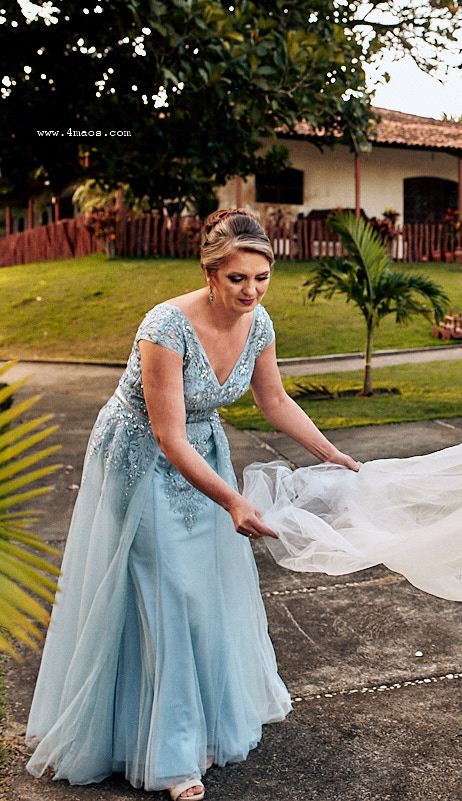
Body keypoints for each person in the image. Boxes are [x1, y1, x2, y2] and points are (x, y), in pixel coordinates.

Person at [27, 209, 358, 800]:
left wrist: (331, 454)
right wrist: (233, 500)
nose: (251, 290)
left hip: (204, 449)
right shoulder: (164, 326)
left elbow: (275, 399)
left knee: (203, 587)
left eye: (262, 277)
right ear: (209, 274)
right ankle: (173, 754)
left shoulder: (259, 324)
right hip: (139, 455)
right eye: (237, 279)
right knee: (168, 589)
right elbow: (166, 437)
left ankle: (183, 724)